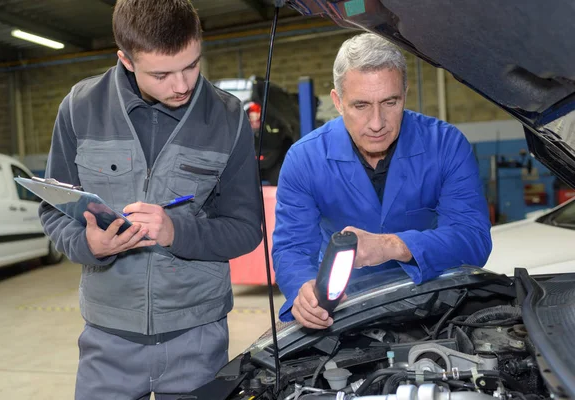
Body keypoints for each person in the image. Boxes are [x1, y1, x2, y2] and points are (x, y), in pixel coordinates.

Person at [38, 0, 263, 398]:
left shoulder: (228, 118)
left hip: (198, 338)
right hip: (108, 339)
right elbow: (54, 206)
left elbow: (246, 230)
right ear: (126, 59)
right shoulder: (79, 107)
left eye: (192, 65)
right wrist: (87, 244)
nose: (182, 85)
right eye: (161, 73)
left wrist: (176, 230)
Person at [272, 33, 492, 330]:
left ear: (405, 93)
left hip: (434, 306)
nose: (377, 123)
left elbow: (473, 239)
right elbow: (293, 248)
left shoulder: (446, 145)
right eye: (360, 106)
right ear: (337, 102)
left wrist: (392, 246)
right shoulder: (304, 159)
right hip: (344, 312)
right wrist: (303, 290)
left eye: (390, 102)